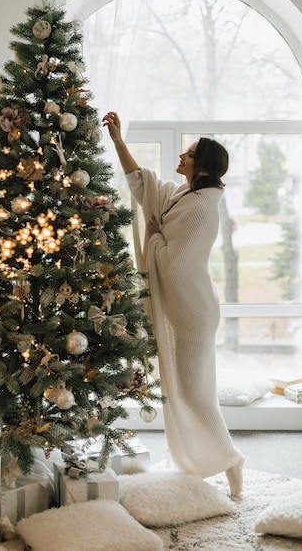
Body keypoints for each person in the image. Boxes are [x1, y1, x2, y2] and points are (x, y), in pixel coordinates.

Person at [103, 111, 244, 498]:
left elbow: (178, 263)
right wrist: (118, 141)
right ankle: (198, 460)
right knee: (185, 390)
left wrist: (153, 236)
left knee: (195, 395)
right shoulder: (184, 195)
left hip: (195, 313)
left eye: (189, 153)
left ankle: (231, 461)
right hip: (188, 312)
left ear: (202, 167)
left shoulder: (201, 208)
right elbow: (146, 184)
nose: (181, 156)